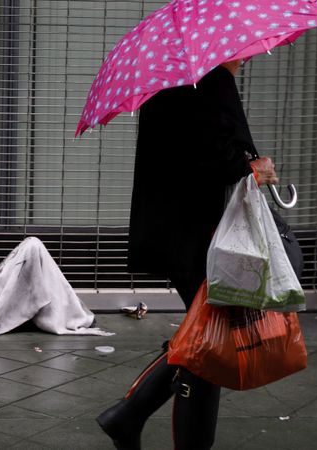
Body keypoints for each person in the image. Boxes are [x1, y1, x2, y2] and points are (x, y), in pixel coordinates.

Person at [96, 60, 279, 450]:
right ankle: (130, 417)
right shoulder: (210, 82)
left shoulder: (168, 80)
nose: (246, 56)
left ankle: (128, 418)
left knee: (207, 335)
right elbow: (212, 157)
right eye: (242, 49)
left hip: (174, 230)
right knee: (208, 342)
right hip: (199, 234)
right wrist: (253, 169)